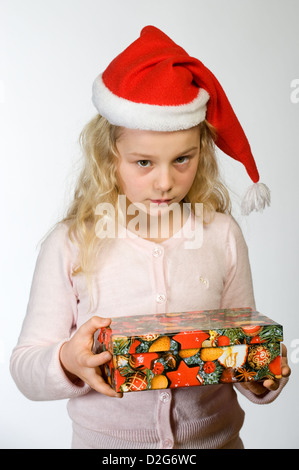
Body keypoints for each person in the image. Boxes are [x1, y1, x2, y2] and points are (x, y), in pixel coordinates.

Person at [10, 25, 290, 449]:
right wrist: (67, 359)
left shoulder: (221, 235)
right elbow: (25, 366)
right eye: (143, 162)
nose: (165, 182)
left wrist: (261, 375)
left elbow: (239, 342)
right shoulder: (71, 244)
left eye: (182, 159)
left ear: (202, 152)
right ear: (109, 158)